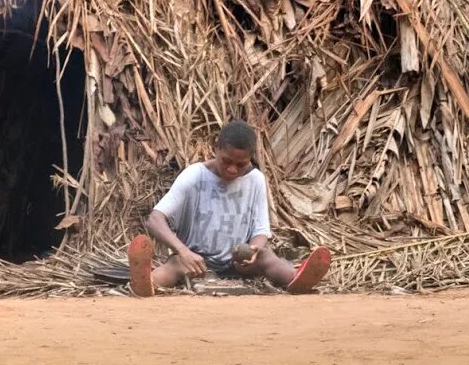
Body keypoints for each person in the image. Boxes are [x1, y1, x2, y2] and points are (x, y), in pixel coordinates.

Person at [127, 119, 330, 296]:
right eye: (226, 161)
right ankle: (146, 283)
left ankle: (298, 280)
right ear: (216, 148)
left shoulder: (256, 180)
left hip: (238, 263)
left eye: (241, 164)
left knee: (267, 257)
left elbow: (261, 231)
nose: (232, 169)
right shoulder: (194, 175)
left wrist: (253, 250)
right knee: (175, 265)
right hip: (197, 261)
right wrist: (183, 251)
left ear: (251, 158)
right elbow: (155, 219)